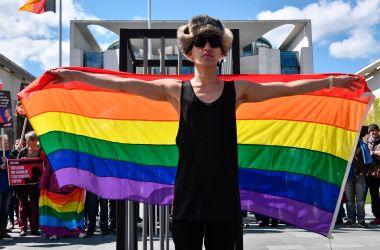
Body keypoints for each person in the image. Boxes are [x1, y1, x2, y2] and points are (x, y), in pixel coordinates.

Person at [49, 14, 361, 250]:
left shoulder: (238, 90)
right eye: (200, 42)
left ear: (223, 50)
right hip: (186, 199)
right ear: (189, 52)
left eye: (213, 42)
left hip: (225, 200)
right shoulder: (174, 90)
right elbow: (121, 84)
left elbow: (287, 88)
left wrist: (332, 82)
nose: (207, 47)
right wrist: (75, 75)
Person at [39, 161, 86, 240]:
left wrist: (82, 183)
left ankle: (78, 230)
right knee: (54, 214)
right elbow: (46, 173)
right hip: (54, 189)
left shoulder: (73, 156)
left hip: (71, 189)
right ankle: (54, 232)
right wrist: (42, 186)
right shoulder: (52, 157)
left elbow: (79, 171)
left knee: (73, 211)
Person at [14, 131, 42, 236]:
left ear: (34, 140)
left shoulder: (41, 151)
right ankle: (23, 228)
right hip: (23, 184)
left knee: (34, 205)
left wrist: (31, 160)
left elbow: (44, 163)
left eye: (28, 140)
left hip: (37, 184)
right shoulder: (23, 151)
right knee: (23, 205)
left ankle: (34, 228)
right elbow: (16, 165)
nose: (26, 142)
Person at [344, 127, 371, 228]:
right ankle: (351, 219)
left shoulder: (363, 146)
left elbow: (369, 162)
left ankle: (361, 219)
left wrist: (362, 172)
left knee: (360, 199)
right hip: (348, 176)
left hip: (359, 176)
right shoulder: (345, 145)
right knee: (349, 199)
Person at [366, 124, 380, 225]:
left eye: (375, 130)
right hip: (371, 173)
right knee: (374, 195)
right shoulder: (366, 142)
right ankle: (377, 216)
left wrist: (372, 153)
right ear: (369, 132)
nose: (374, 132)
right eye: (372, 131)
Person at [0, 135, 11, 239]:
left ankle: (3, 230)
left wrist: (7, 163)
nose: (7, 144)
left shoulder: (10, 154)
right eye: (4, 142)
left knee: (5, 209)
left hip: (8, 187)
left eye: (7, 142)